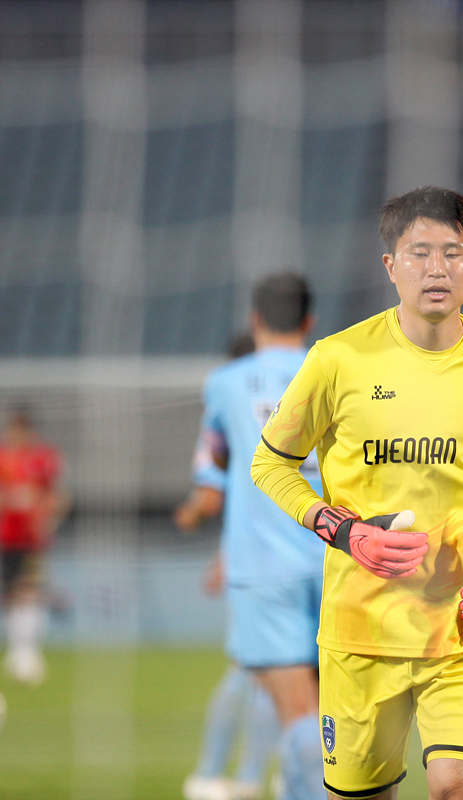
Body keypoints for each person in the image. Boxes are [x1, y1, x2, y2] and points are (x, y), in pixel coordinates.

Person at [252, 186, 463, 800]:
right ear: (390, 266)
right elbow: (270, 463)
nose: (437, 268)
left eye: (453, 252)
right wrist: (343, 531)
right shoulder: (337, 360)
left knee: (458, 787)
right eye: (419, 252)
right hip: (360, 634)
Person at [200, 274, 328, 800]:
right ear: (309, 321)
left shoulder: (226, 383)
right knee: (332, 714)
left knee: (297, 712)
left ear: (255, 319)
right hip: (338, 559)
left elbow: (211, 476)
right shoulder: (336, 372)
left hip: (267, 569)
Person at [176, 331, 281, 800]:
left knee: (255, 670)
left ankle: (218, 773)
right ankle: (252, 776)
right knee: (282, 673)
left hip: (252, 558)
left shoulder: (229, 408)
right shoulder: (296, 401)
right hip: (305, 552)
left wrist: (192, 514)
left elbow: (212, 493)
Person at [0, 405, 69, 685]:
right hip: (4, 537)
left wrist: (48, 518)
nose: (13, 435)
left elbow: (58, 496)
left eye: (18, 431)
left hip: (33, 539)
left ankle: (29, 653)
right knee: (7, 596)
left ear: (28, 432)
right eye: (10, 430)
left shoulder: (43, 457)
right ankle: (15, 651)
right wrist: (2, 501)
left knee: (30, 591)